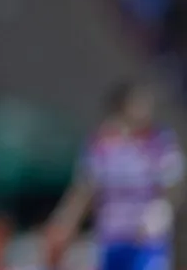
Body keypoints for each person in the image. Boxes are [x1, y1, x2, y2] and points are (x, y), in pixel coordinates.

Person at [43, 81, 184, 270]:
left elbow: (175, 183)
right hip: (111, 237)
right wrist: (65, 223)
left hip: (146, 239)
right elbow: (85, 189)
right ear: (123, 106)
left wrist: (162, 208)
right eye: (140, 103)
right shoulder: (102, 144)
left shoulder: (159, 141)